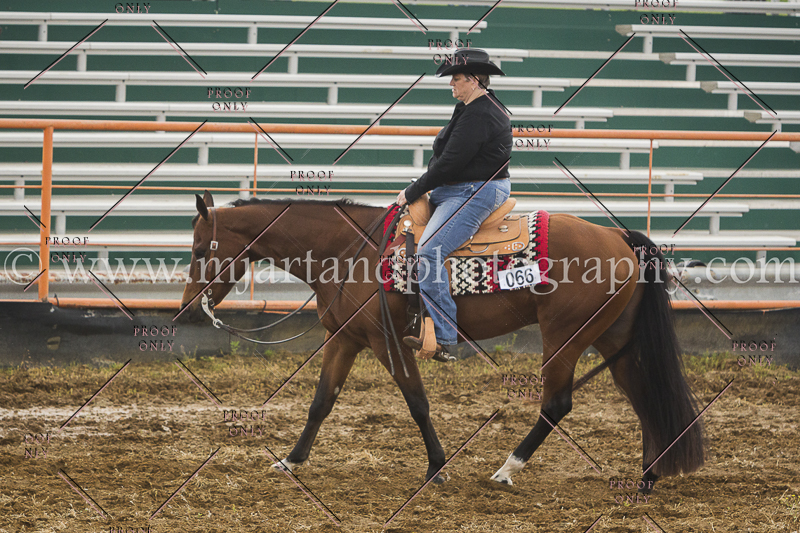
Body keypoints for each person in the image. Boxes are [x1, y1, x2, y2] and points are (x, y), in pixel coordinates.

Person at [395, 48, 512, 360]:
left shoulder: (481, 114)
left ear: (473, 80)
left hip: (474, 191)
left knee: (428, 252)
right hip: (459, 189)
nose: (451, 84)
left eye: (456, 78)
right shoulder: (472, 108)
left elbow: (449, 164)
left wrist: (413, 190)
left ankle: (445, 337)